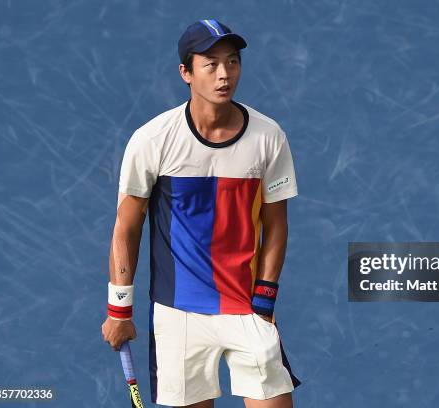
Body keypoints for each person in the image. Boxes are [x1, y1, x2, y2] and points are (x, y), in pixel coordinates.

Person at [101, 19, 302, 408]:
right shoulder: (153, 139)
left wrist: (265, 300)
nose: (224, 74)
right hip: (179, 312)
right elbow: (127, 227)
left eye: (232, 62)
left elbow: (276, 224)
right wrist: (119, 309)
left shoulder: (269, 136)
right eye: (211, 64)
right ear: (186, 73)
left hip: (247, 307)